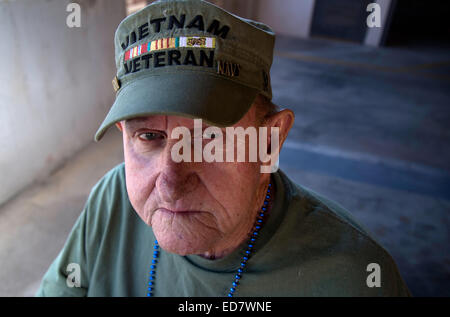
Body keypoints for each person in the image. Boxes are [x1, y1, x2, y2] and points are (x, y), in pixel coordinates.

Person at [36, 0, 411, 297]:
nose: (170, 182)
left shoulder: (353, 278)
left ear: (269, 142)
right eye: (149, 137)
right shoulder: (111, 200)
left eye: (207, 138)